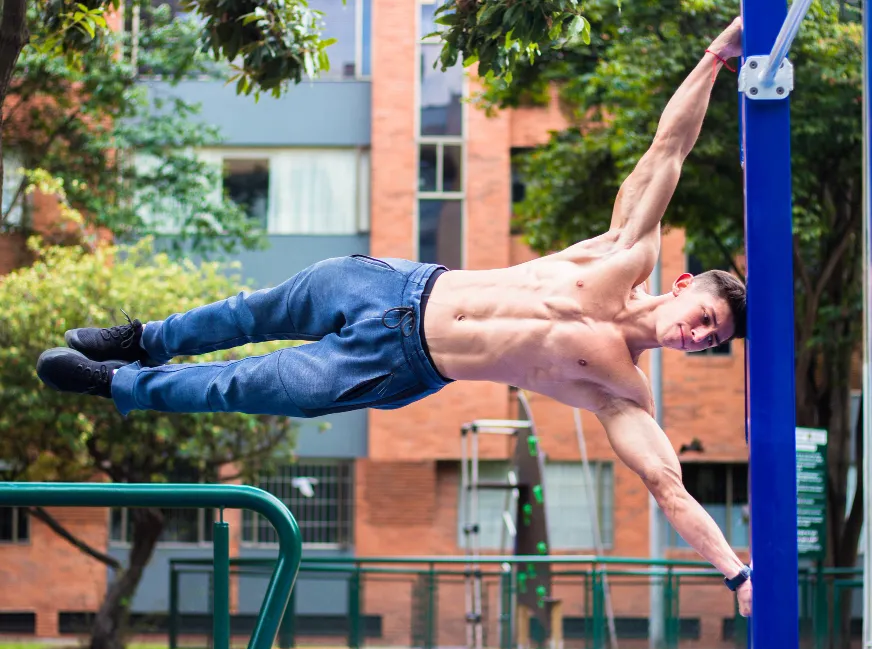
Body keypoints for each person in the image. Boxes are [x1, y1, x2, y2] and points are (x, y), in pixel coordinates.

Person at [37, 19, 752, 613]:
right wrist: (717, 55)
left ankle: (112, 383)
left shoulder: (622, 392)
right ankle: (142, 340)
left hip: (396, 364)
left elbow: (668, 487)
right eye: (704, 316)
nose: (696, 335)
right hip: (395, 286)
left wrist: (736, 574)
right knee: (250, 312)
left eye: (711, 338)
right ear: (683, 284)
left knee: (243, 385)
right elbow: (670, 146)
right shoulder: (625, 251)